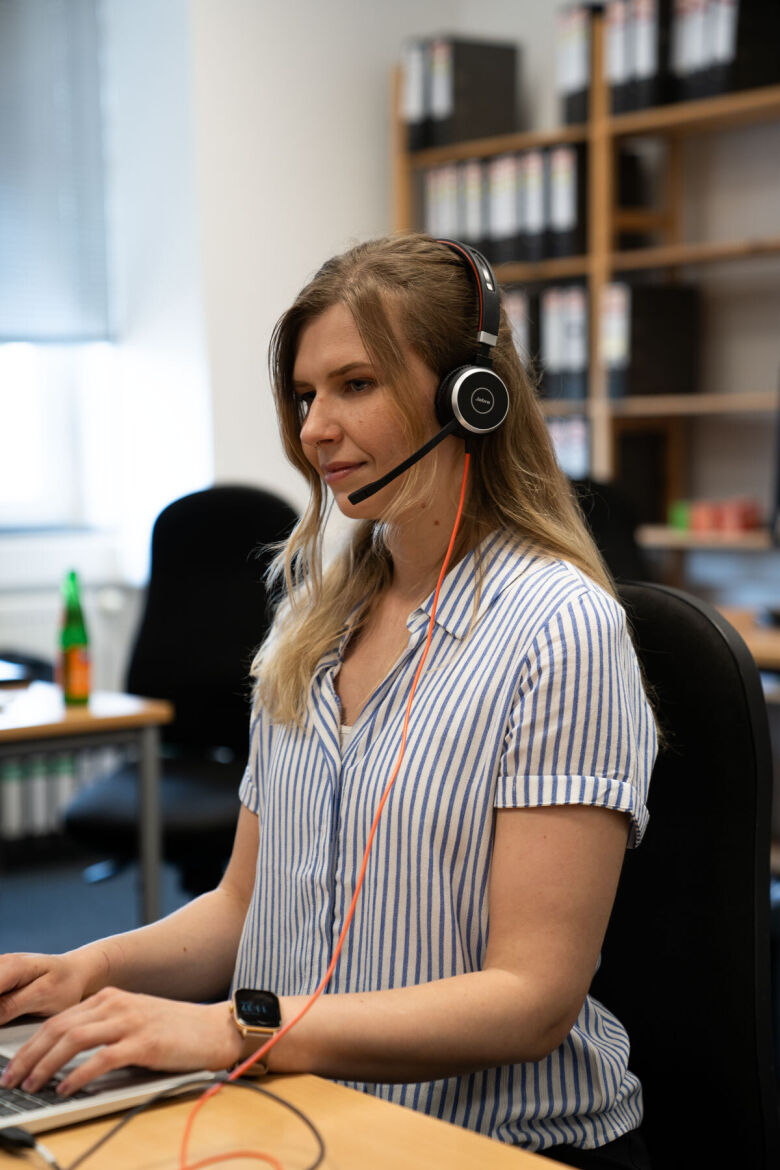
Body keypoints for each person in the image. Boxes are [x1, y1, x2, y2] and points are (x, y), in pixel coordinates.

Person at [0, 234, 657, 1169]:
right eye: (307, 396)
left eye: (355, 385)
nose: (312, 430)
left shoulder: (561, 632)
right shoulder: (314, 620)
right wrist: (87, 970)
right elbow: (241, 907)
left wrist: (236, 1031)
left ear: (472, 397)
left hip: (495, 1140)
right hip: (308, 1110)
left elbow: (533, 998)